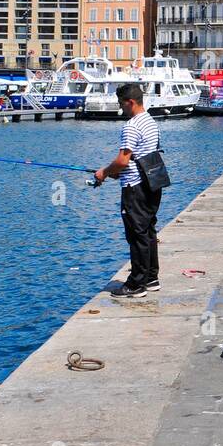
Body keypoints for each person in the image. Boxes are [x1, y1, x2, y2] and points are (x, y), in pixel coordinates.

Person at [93, 83, 163, 298]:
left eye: (121, 103)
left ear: (130, 102)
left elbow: (123, 160)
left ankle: (136, 284)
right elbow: (140, 155)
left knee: (136, 234)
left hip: (135, 187)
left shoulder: (131, 126)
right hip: (153, 182)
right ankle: (151, 277)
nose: (120, 108)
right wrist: (115, 171)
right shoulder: (150, 121)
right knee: (148, 231)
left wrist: (104, 173)